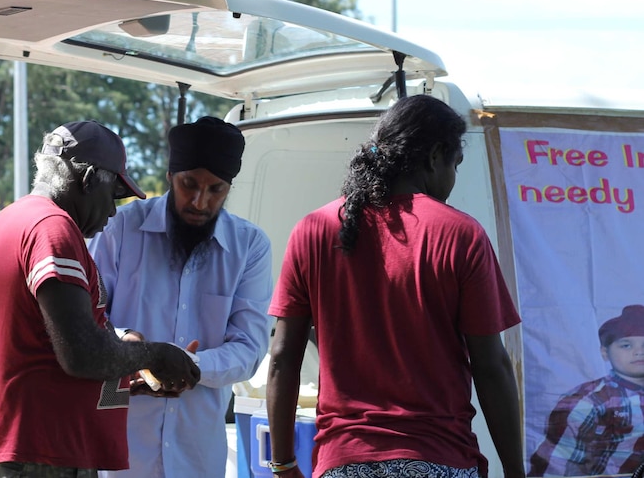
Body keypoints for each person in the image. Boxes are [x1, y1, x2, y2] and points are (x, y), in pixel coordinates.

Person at [265, 95, 525, 478]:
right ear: (436, 156)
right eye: (456, 164)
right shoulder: (460, 233)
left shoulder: (313, 230)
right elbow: (491, 366)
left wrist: (284, 463)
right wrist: (515, 473)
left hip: (343, 462)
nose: (452, 179)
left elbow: (283, 356)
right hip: (439, 459)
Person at [0, 120, 201, 478]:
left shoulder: (5, 223)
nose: (112, 212)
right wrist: (156, 354)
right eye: (113, 195)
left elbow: (38, 350)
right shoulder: (53, 228)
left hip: (16, 447)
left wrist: (128, 366)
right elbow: (82, 354)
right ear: (90, 179)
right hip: (44, 453)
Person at [88, 116, 274, 478]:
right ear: (171, 175)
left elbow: (249, 348)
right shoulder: (121, 228)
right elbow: (89, 320)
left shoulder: (249, 246)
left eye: (216, 189)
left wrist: (190, 366)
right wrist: (130, 349)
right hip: (120, 452)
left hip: (197, 456)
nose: (200, 201)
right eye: (189, 184)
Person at [528, 304, 644, 477]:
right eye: (626, 345)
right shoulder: (587, 401)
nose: (639, 352)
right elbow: (556, 466)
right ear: (605, 352)